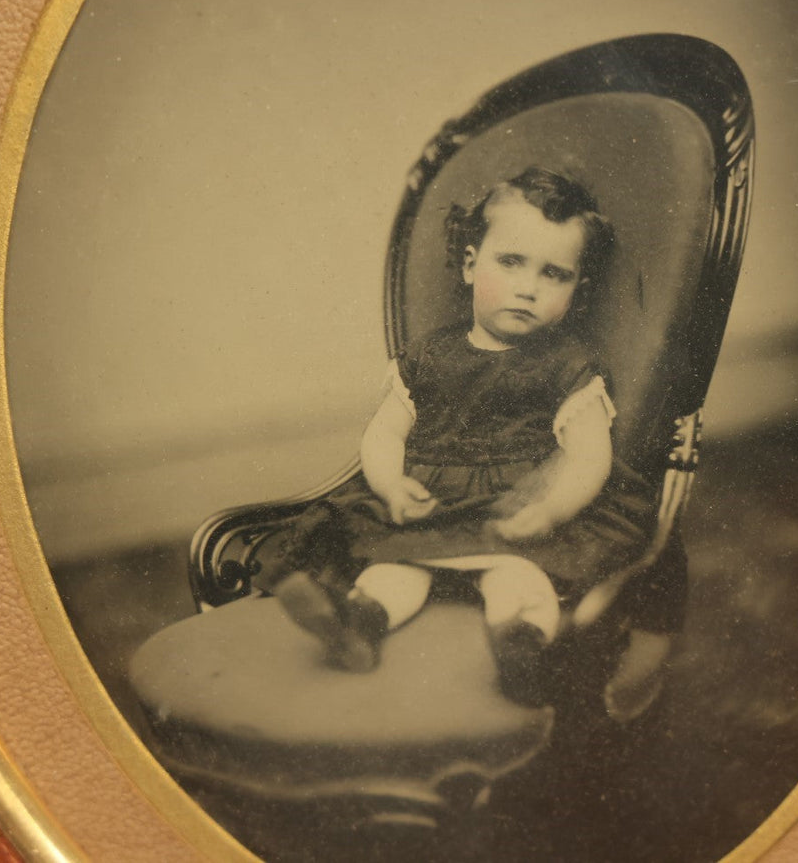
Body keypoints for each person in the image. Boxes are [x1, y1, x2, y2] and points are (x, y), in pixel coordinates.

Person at [264, 167, 653, 704]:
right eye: (511, 262)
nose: (528, 288)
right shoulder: (428, 357)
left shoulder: (570, 367)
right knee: (393, 567)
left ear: (576, 289)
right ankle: (359, 624)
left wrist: (553, 509)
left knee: (518, 576)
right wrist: (391, 486)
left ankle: (523, 650)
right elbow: (384, 436)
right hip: (433, 505)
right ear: (471, 264)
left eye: (554, 274)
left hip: (515, 509)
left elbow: (590, 458)